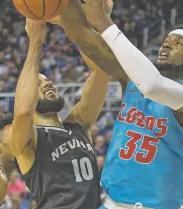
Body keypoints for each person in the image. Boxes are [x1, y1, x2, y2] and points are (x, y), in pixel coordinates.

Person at [39, 0, 183, 209]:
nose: (167, 43)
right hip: (110, 203)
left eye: (178, 44)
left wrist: (106, 24)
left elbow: (152, 87)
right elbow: (80, 33)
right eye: (167, 39)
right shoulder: (130, 77)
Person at [8, 19, 110, 209]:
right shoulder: (28, 138)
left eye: (48, 80)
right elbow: (23, 112)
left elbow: (101, 73)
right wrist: (36, 41)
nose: (48, 83)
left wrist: (71, 25)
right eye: (38, 84)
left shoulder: (78, 123)